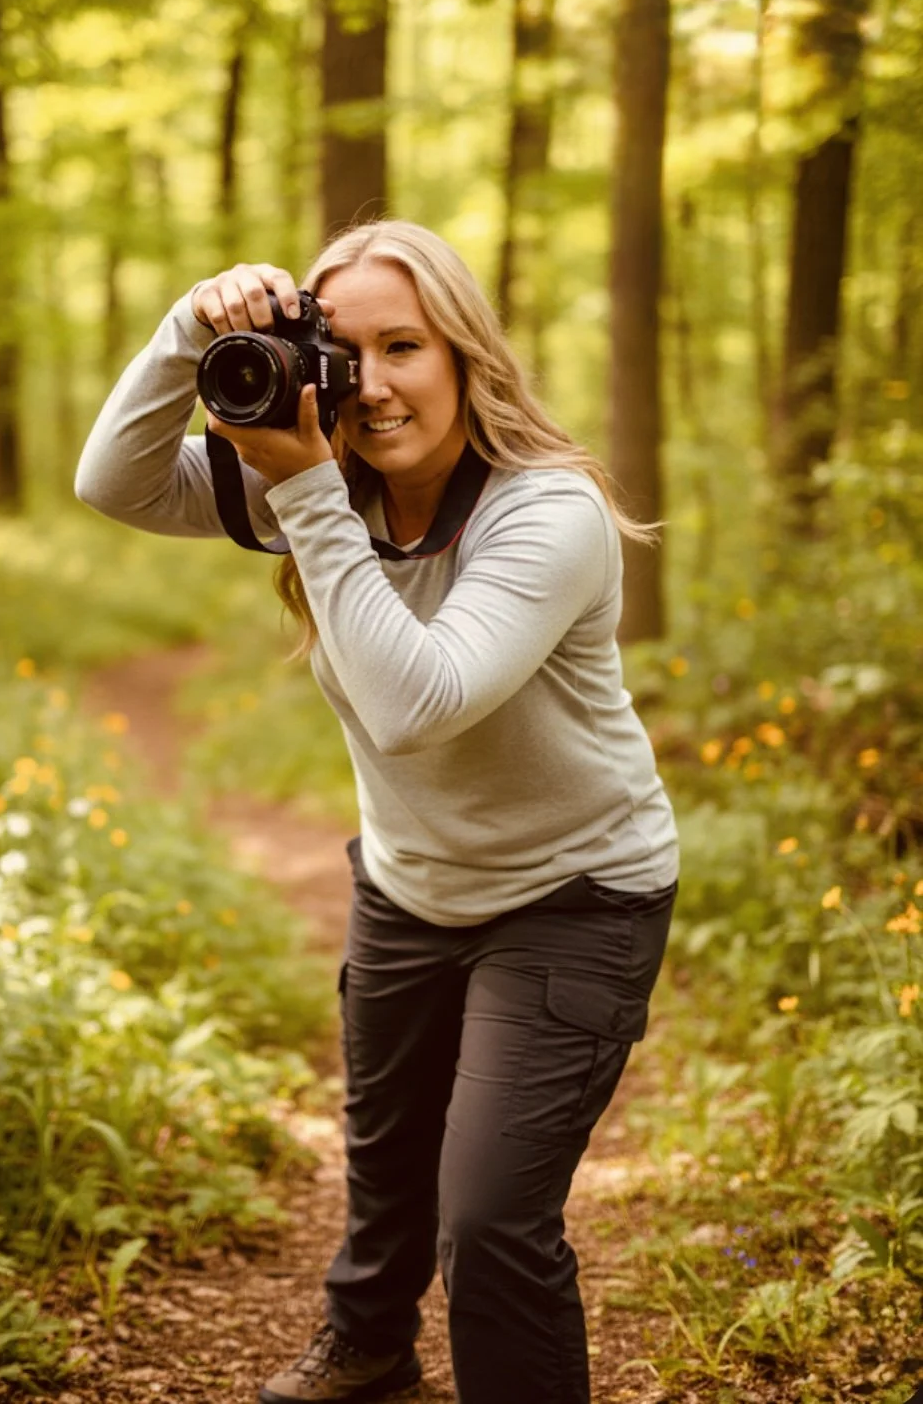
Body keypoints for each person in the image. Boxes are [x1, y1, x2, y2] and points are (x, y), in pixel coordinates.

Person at [75, 220, 680, 1404]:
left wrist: (301, 483)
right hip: (410, 886)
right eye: (345, 349)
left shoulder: (543, 513)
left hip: (576, 896)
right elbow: (116, 481)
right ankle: (371, 1344)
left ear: (466, 355)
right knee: (386, 1155)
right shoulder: (326, 479)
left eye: (405, 344)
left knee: (492, 1218)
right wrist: (186, 332)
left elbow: (420, 705)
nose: (376, 381)